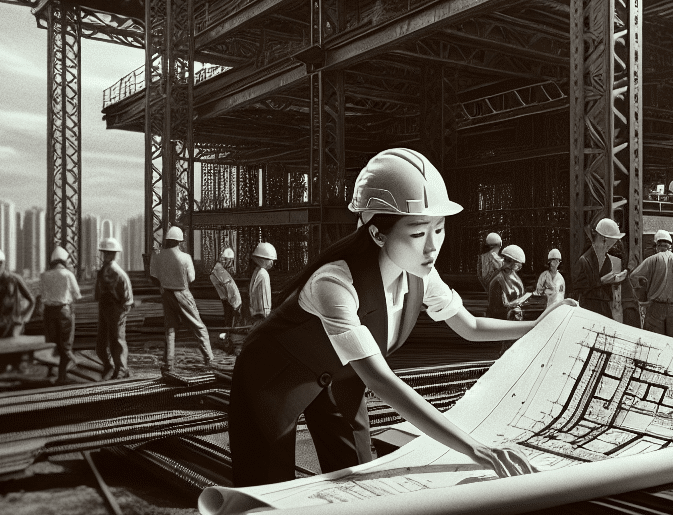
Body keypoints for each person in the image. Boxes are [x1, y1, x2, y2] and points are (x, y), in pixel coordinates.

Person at [228, 147, 576, 486]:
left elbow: (470, 326)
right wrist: (475, 449)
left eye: (439, 229)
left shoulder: (421, 275)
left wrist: (539, 324)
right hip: (275, 378)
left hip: (341, 378)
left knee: (360, 483)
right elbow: (381, 381)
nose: (432, 246)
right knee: (267, 493)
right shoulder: (333, 283)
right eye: (417, 233)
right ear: (377, 233)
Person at [152, 226, 219, 376]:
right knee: (199, 328)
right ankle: (210, 360)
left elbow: (154, 277)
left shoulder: (158, 255)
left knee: (170, 329)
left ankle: (169, 365)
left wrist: (163, 286)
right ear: (180, 241)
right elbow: (191, 278)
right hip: (182, 293)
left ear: (168, 240)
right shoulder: (185, 257)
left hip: (166, 294)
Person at [631, 230, 673, 339]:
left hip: (656, 307)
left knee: (654, 342)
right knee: (672, 344)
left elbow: (634, 277)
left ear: (657, 246)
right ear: (670, 246)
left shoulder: (652, 260)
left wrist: (642, 298)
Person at [572, 217, 629, 322]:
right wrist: (602, 281)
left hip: (604, 313)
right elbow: (578, 290)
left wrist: (616, 280)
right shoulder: (584, 261)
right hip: (587, 312)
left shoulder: (607, 260)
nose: (613, 245)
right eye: (612, 241)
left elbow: (608, 293)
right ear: (604, 239)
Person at [39, 246, 81, 384]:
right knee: (66, 345)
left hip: (48, 313)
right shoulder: (68, 275)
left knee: (52, 343)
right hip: (64, 312)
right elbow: (77, 294)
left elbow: (41, 295)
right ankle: (62, 376)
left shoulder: (44, 275)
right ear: (64, 261)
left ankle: (50, 372)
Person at [95, 236, 134, 380]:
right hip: (106, 308)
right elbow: (98, 293)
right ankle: (111, 365)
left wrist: (123, 311)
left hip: (116, 309)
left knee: (117, 340)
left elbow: (127, 297)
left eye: (108, 253)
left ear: (113, 254)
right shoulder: (103, 272)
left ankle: (121, 370)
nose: (106, 256)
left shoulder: (118, 273)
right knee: (104, 342)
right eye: (105, 253)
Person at [487, 244, 531, 321]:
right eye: (506, 260)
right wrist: (513, 307)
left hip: (515, 318)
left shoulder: (516, 278)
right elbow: (496, 309)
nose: (507, 264)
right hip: (501, 321)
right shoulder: (498, 281)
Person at [212, 247, 244, 330]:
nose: (231, 264)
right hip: (228, 304)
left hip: (226, 302)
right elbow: (230, 289)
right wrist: (236, 305)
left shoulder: (218, 270)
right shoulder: (221, 271)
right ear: (226, 260)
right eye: (230, 261)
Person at [247, 241, 277, 329]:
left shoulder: (258, 271)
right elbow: (265, 296)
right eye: (270, 260)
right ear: (264, 260)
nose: (272, 263)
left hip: (255, 312)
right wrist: (267, 315)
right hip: (262, 314)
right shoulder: (264, 274)